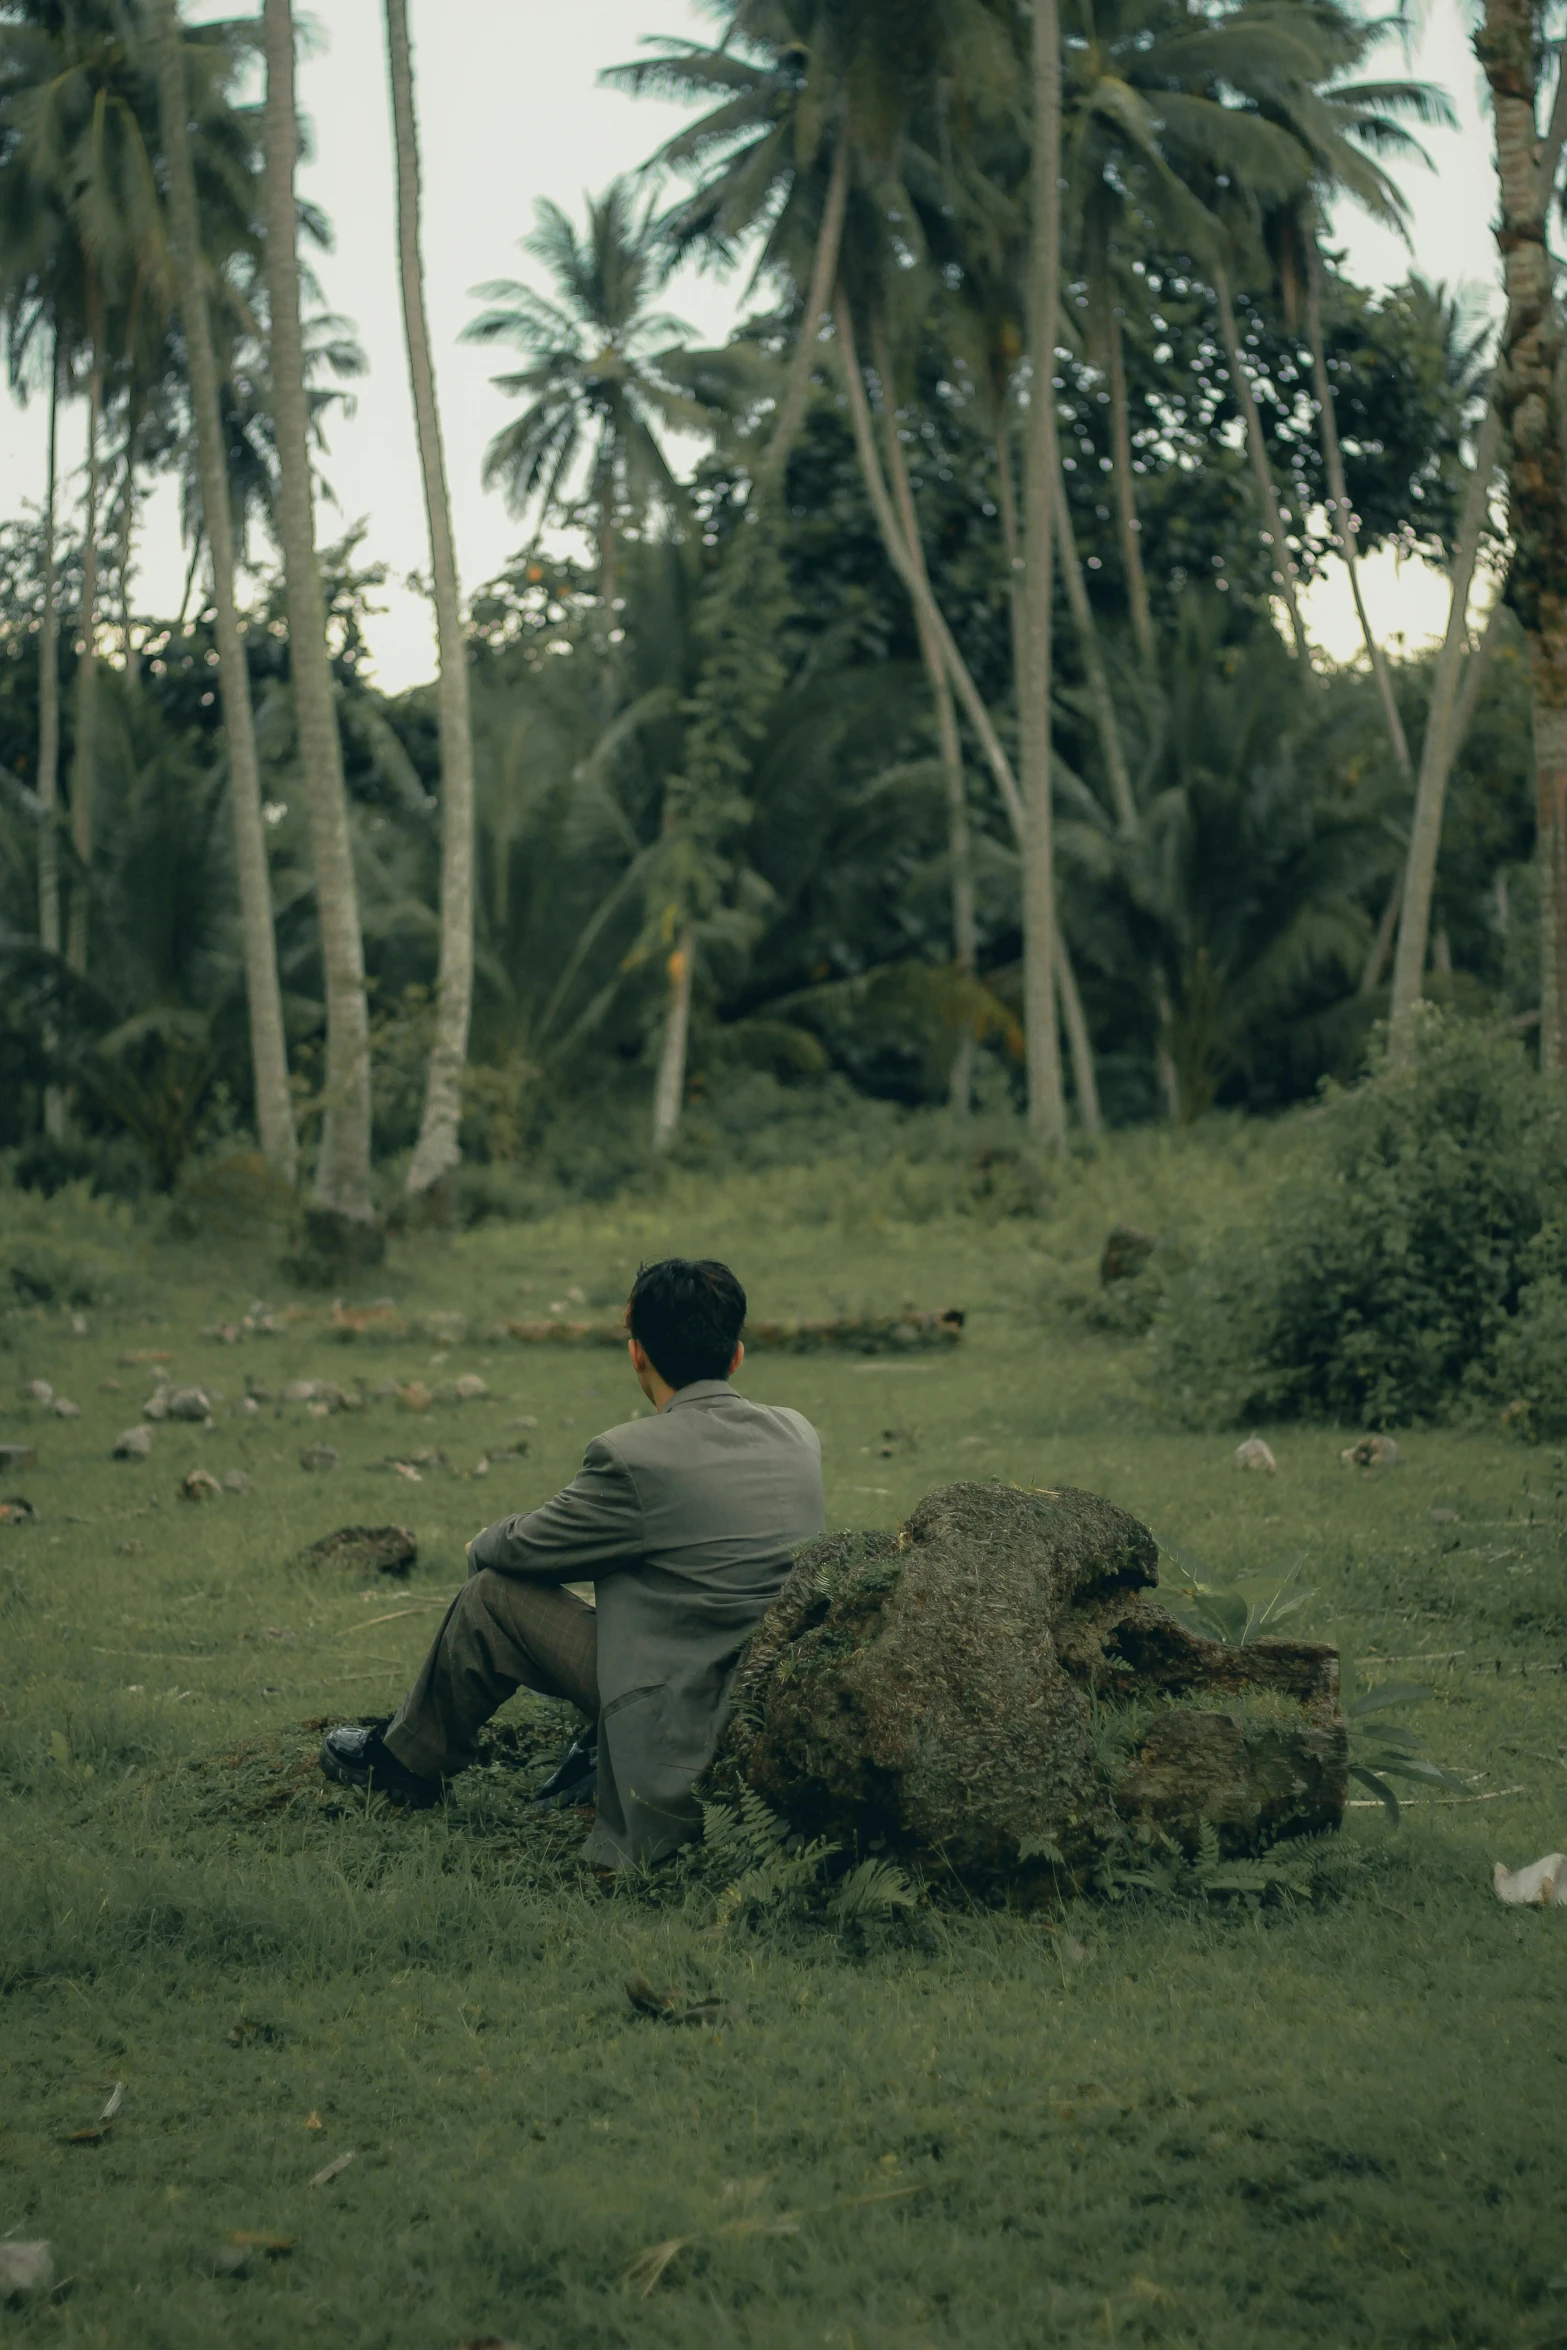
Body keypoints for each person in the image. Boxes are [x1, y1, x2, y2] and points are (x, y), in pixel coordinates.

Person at [319, 1257, 825, 1870]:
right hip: (763, 1702)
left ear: (637, 1354)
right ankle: (591, 1744)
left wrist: (481, 1540)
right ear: (737, 1355)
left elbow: (519, 1549)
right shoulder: (798, 1434)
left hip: (679, 1723)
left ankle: (407, 1761)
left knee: (490, 1599)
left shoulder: (632, 1456)